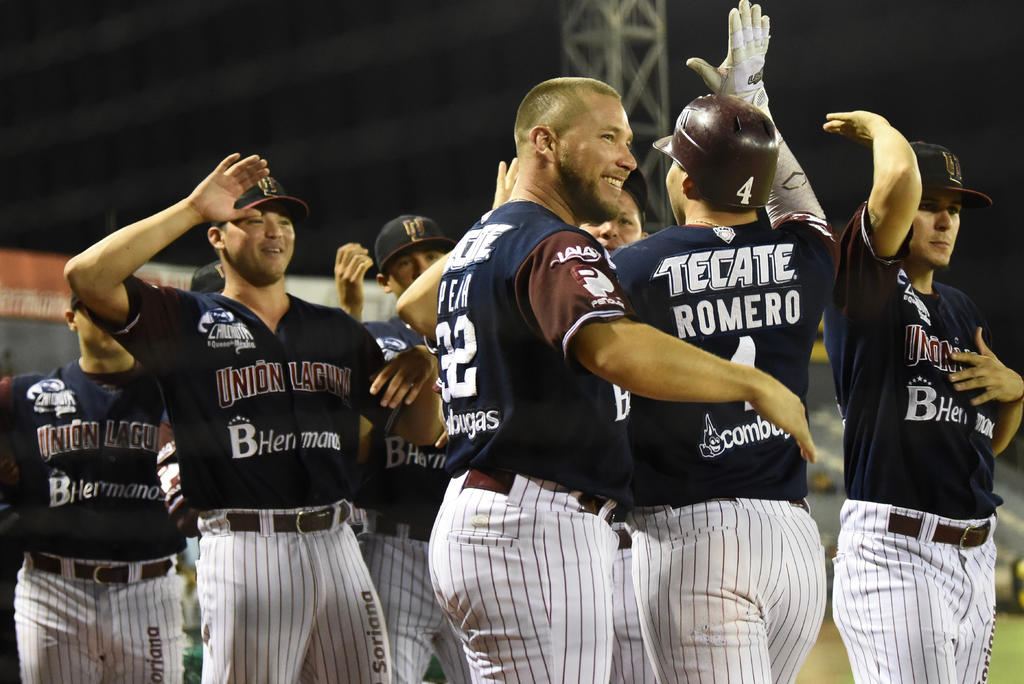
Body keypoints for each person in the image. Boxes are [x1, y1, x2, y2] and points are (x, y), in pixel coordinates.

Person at [395, 74, 816, 681]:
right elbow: (613, 347)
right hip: (532, 523)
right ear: (544, 142)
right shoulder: (552, 243)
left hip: (494, 515)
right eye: (610, 137)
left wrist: (499, 213)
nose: (626, 156)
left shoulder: (488, 241)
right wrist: (754, 383)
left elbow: (415, 308)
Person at [63, 159, 445, 684]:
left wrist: (425, 363)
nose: (274, 230)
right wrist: (193, 209)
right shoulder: (185, 320)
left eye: (284, 221)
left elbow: (422, 431)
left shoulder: (334, 329)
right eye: (255, 218)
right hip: (248, 548)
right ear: (217, 238)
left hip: (339, 544)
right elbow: (85, 275)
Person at [610, 3, 838, 682]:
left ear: (682, 181)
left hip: (693, 538)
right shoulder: (805, 253)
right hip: (794, 541)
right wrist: (751, 104)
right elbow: (795, 198)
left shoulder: (633, 267)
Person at [823, 114, 1023, 681]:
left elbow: (979, 442)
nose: (944, 221)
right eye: (929, 204)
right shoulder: (869, 288)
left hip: (975, 554)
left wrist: (1017, 396)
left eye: (954, 211)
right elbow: (892, 188)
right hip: (898, 550)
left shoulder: (964, 311)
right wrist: (880, 129)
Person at [0, 294, 186, 683]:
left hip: (146, 587)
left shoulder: (176, 394)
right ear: (71, 318)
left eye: (120, 312)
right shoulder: (24, 395)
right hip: (54, 586)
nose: (110, 320)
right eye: (96, 309)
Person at [335, 214, 473, 684]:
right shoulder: (381, 340)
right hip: (394, 546)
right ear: (386, 281)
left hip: (471, 545)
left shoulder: (483, 334)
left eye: (433, 257)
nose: (422, 268)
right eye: (406, 263)